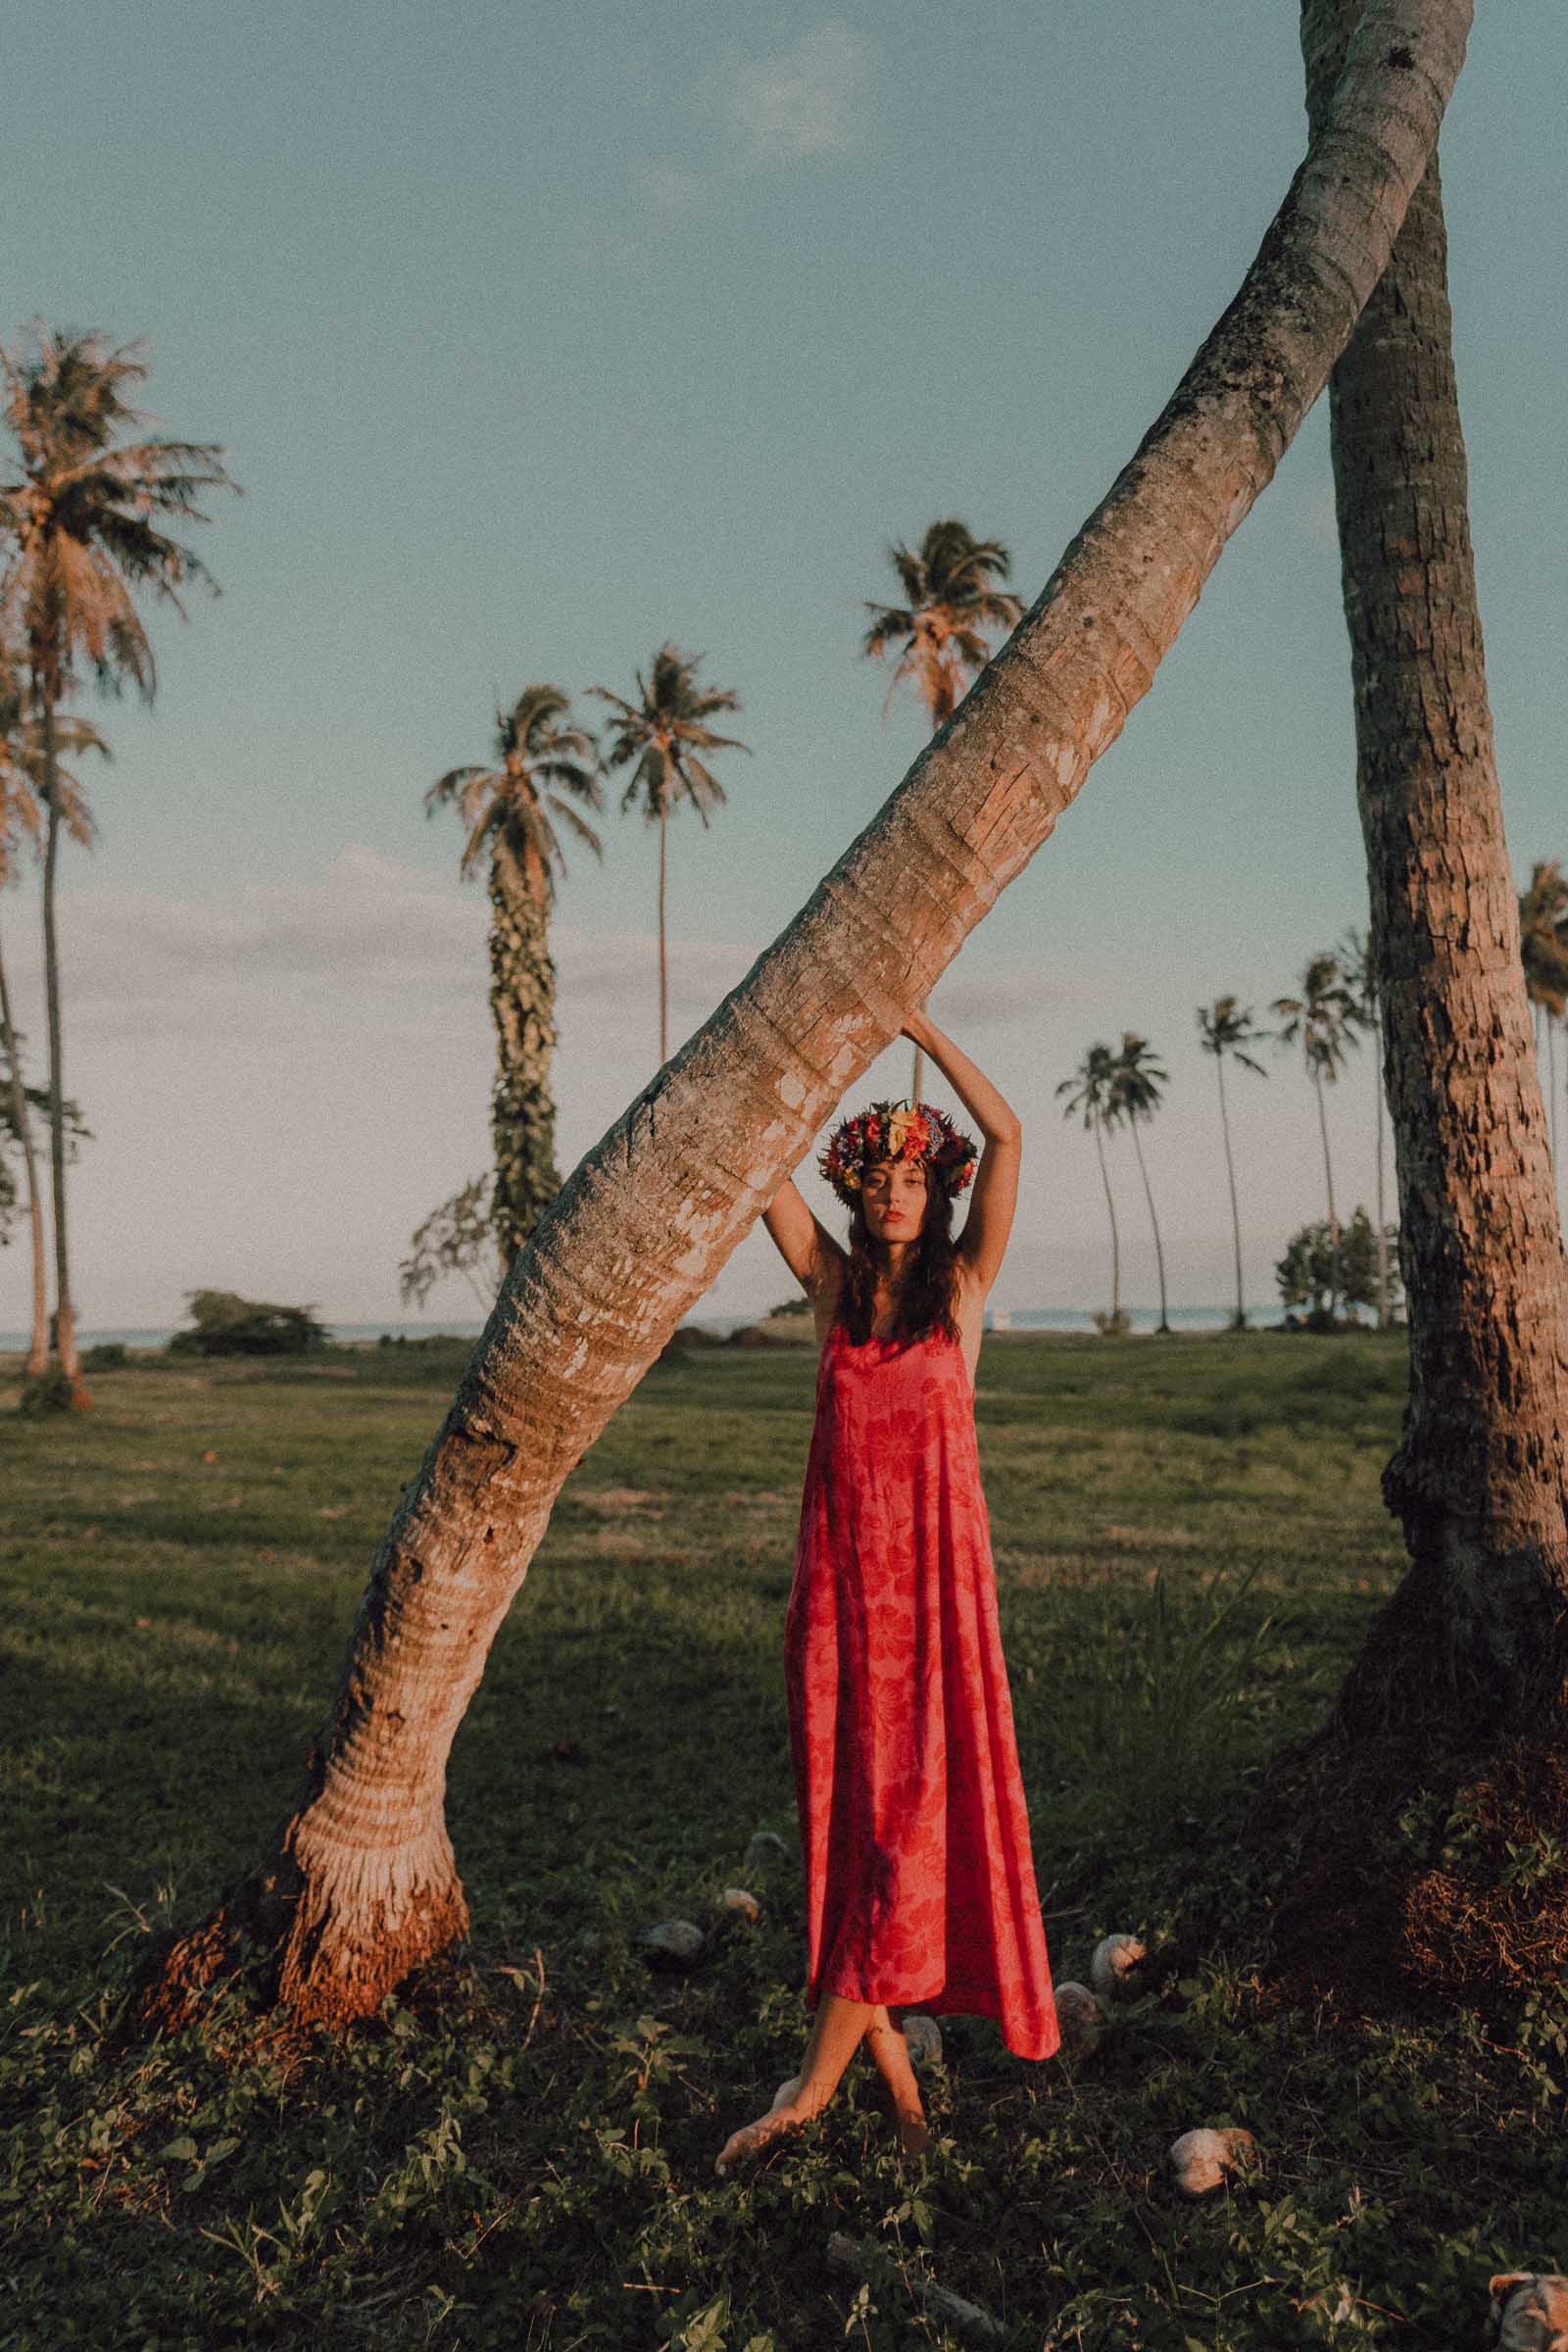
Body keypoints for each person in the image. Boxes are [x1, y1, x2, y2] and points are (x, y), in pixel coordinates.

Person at [714, 1006, 1058, 2178]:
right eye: (879, 1175)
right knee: (857, 1847)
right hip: (841, 1612)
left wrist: (920, 1025)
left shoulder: (961, 1294)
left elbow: (1007, 1134)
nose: (897, 1193)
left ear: (936, 1189)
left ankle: (809, 2096)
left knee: (904, 1841)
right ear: (857, 1190)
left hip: (939, 1616)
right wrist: (836, 1042)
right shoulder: (826, 1286)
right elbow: (761, 1155)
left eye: (915, 1174)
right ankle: (900, 2086)